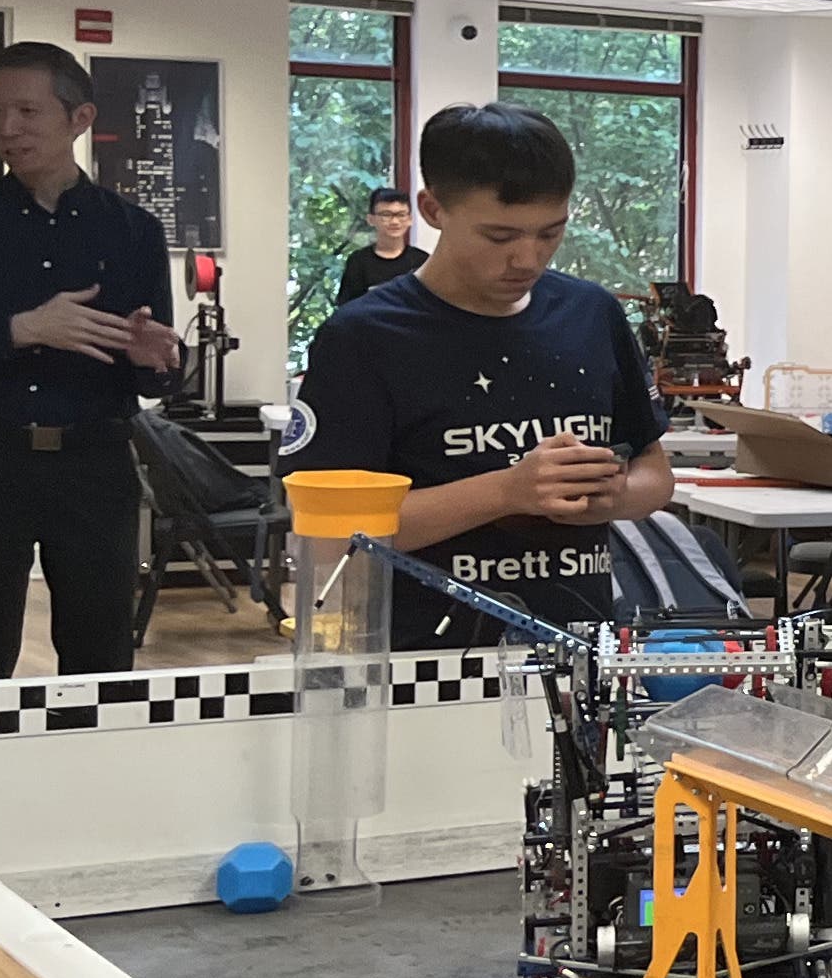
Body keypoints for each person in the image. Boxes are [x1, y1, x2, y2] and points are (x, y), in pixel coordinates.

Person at [287, 103, 672, 647]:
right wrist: (508, 491)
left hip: (578, 650)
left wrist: (612, 498)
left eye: (550, 233)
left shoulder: (592, 314)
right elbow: (328, 536)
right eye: (499, 236)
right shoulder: (364, 337)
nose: (528, 259)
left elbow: (655, 472)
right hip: (425, 656)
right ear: (433, 209)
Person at [0, 41, 181, 679]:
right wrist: (20, 330)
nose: (7, 128)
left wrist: (154, 359)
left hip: (94, 461)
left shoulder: (132, 229)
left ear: (80, 119)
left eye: (27, 111)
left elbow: (157, 373)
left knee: (101, 657)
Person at [333, 186, 427, 305]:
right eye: (386, 215)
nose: (394, 221)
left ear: (410, 219)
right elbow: (347, 308)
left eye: (401, 215)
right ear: (371, 219)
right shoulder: (358, 261)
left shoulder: (422, 261)